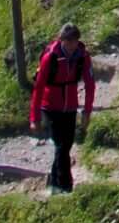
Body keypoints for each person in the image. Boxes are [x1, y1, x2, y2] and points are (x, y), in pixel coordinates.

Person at [30, 21, 98, 191]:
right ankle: (66, 186)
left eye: (75, 41)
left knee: (66, 145)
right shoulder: (50, 57)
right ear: (62, 40)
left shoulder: (82, 56)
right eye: (69, 41)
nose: (72, 45)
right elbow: (38, 88)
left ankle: (53, 183)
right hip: (50, 106)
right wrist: (35, 118)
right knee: (61, 144)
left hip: (70, 107)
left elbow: (90, 84)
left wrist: (87, 111)